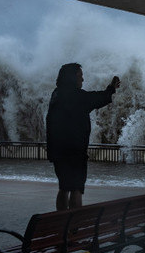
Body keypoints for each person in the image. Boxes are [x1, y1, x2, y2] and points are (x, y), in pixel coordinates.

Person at [46, 63, 120, 210]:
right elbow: (96, 98)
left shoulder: (56, 94)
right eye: (80, 76)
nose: (83, 79)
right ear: (72, 78)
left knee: (64, 187)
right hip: (74, 152)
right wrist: (111, 89)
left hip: (58, 152)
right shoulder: (75, 96)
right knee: (76, 189)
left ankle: (61, 221)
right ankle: (74, 225)